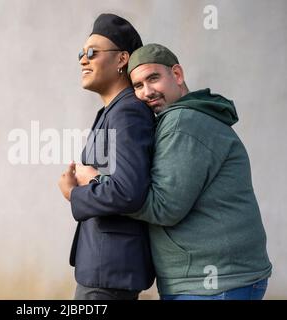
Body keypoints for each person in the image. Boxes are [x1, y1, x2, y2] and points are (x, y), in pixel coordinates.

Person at [75, 43, 272, 300]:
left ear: (177, 75)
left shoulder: (183, 123)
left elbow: (164, 207)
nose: (146, 92)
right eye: (137, 86)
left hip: (214, 284)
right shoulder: (187, 116)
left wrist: (96, 181)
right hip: (214, 281)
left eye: (153, 78)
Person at [57, 14, 155, 300]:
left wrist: (73, 194)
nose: (83, 60)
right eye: (81, 53)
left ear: (122, 59)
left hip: (109, 273)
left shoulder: (128, 113)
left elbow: (128, 192)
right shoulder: (113, 111)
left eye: (92, 53)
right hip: (104, 268)